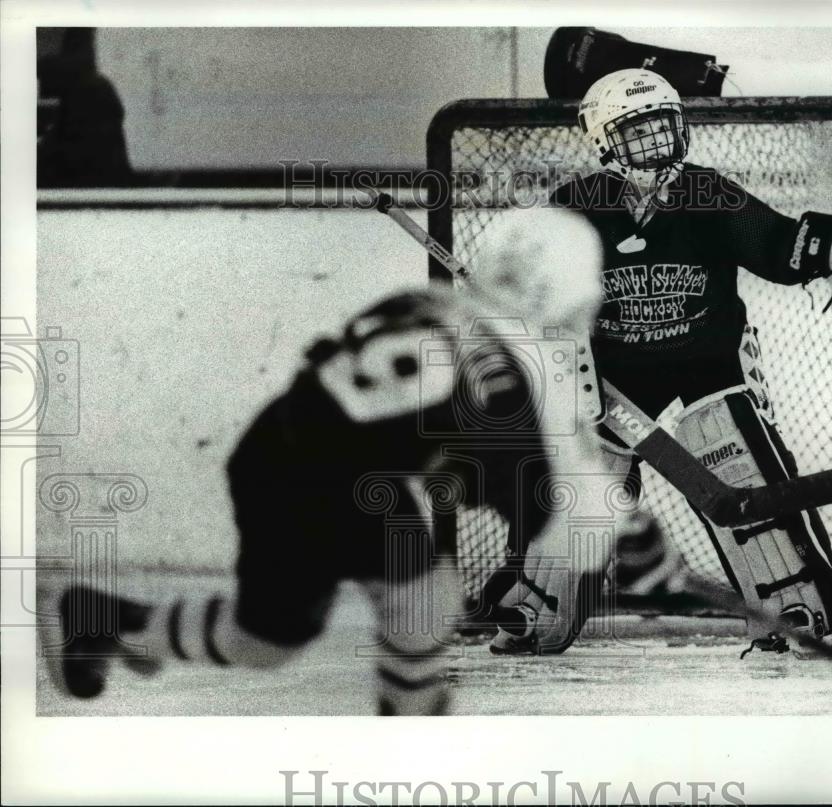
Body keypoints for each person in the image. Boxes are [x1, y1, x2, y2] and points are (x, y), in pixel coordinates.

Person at [50, 209, 624, 712]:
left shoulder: (422, 303)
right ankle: (412, 740)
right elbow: (549, 515)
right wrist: (634, 547)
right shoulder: (504, 381)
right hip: (309, 480)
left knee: (301, 633)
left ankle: (108, 625)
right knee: (366, 617)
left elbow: (386, 416)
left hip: (301, 457)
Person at [540, 68, 832, 653]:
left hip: (704, 362)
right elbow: (533, 283)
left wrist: (830, 244)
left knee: (738, 469)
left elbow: (780, 246)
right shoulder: (574, 206)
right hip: (611, 376)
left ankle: (790, 610)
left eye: (665, 126)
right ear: (604, 139)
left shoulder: (708, 192)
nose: (658, 142)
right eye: (640, 131)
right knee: (578, 491)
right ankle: (540, 613)